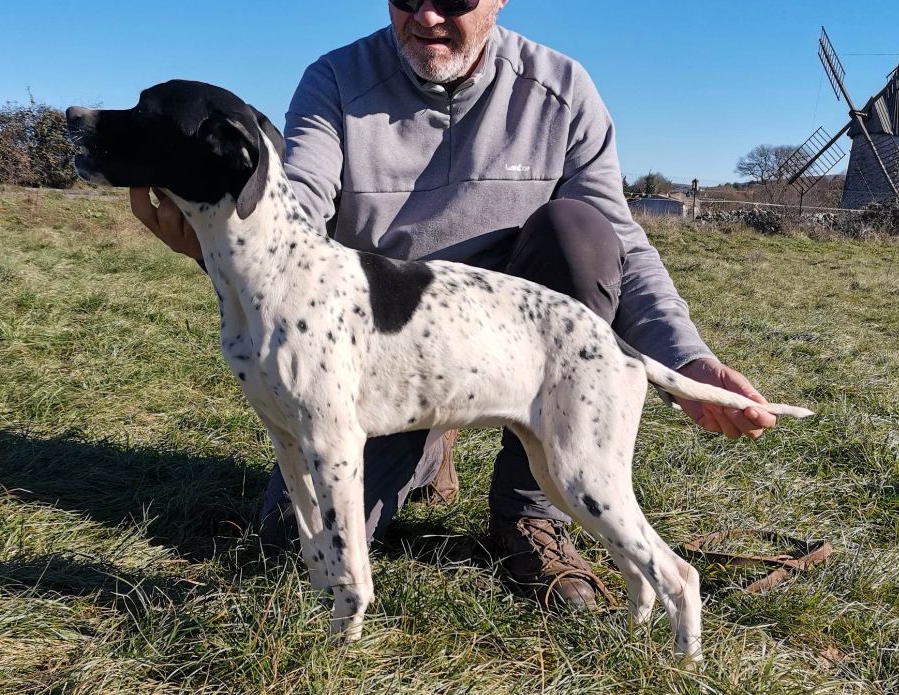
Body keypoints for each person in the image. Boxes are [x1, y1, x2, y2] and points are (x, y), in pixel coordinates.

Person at [130, 0, 778, 610]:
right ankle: (426, 444)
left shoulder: (561, 88)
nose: (426, 16)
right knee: (287, 547)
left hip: (516, 342)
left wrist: (685, 357)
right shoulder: (335, 79)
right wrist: (220, 237)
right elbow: (296, 203)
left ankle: (529, 510)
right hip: (384, 346)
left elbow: (622, 243)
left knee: (581, 232)